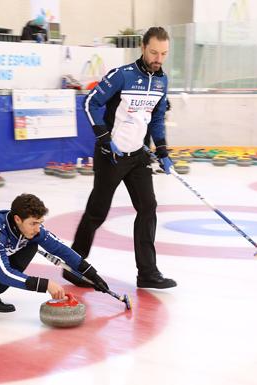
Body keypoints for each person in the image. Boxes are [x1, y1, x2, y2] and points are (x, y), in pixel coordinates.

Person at [65, 27, 177, 290]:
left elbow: (158, 118)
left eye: (163, 54)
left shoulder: (162, 81)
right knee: (97, 212)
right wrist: (105, 139)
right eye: (153, 52)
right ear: (142, 47)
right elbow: (90, 102)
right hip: (111, 157)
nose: (158, 58)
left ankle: (147, 273)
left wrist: (162, 150)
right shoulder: (122, 76)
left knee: (148, 208)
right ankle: (74, 266)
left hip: (138, 157)